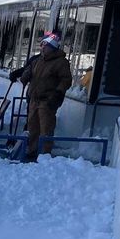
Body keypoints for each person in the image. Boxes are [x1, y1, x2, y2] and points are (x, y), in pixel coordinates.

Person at [21, 32, 72, 161]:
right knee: (32, 127)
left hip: (47, 100)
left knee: (46, 128)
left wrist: (58, 93)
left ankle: (44, 154)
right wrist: (25, 76)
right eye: (42, 45)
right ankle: (32, 150)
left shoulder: (61, 62)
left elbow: (66, 80)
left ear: (52, 47)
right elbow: (29, 73)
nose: (42, 48)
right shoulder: (39, 61)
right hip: (34, 99)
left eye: (45, 45)